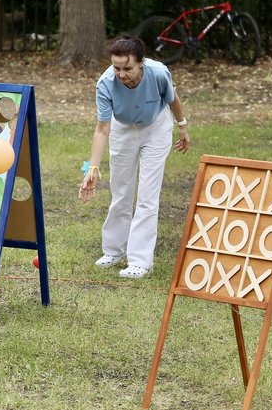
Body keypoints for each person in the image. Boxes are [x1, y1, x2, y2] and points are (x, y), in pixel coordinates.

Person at [78, 35, 190, 279]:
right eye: (116, 67)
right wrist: (92, 168)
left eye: (127, 68)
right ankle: (114, 250)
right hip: (123, 128)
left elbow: (173, 99)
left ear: (142, 63)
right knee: (121, 191)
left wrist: (182, 126)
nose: (121, 74)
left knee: (147, 196)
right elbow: (102, 129)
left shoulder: (159, 73)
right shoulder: (105, 83)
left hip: (156, 127)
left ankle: (140, 261)